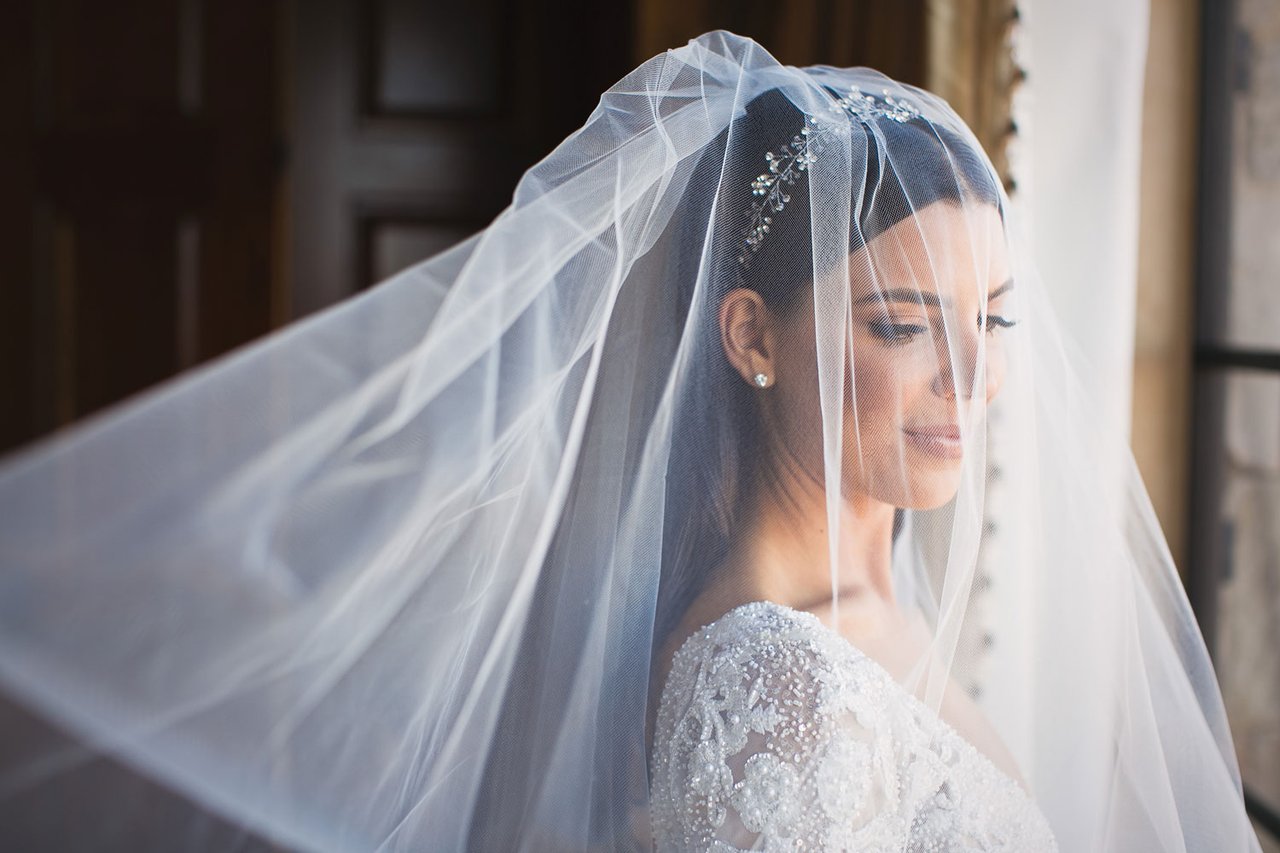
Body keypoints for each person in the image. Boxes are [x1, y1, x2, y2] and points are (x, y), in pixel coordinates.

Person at [0, 30, 1262, 852]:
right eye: (900, 326)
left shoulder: (867, 597)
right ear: (750, 334)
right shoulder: (774, 684)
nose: (973, 378)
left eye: (987, 319)